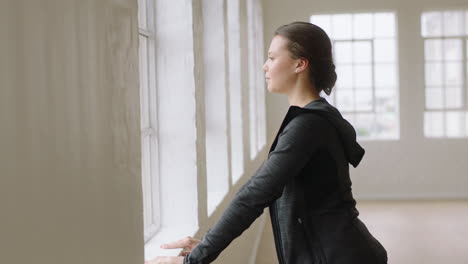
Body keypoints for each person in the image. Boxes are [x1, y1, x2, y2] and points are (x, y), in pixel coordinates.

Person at [146, 21, 388, 264]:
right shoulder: (312, 118)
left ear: (299, 64)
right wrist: (203, 246)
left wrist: (194, 260)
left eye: (272, 58)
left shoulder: (308, 126)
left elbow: (253, 196)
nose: (265, 66)